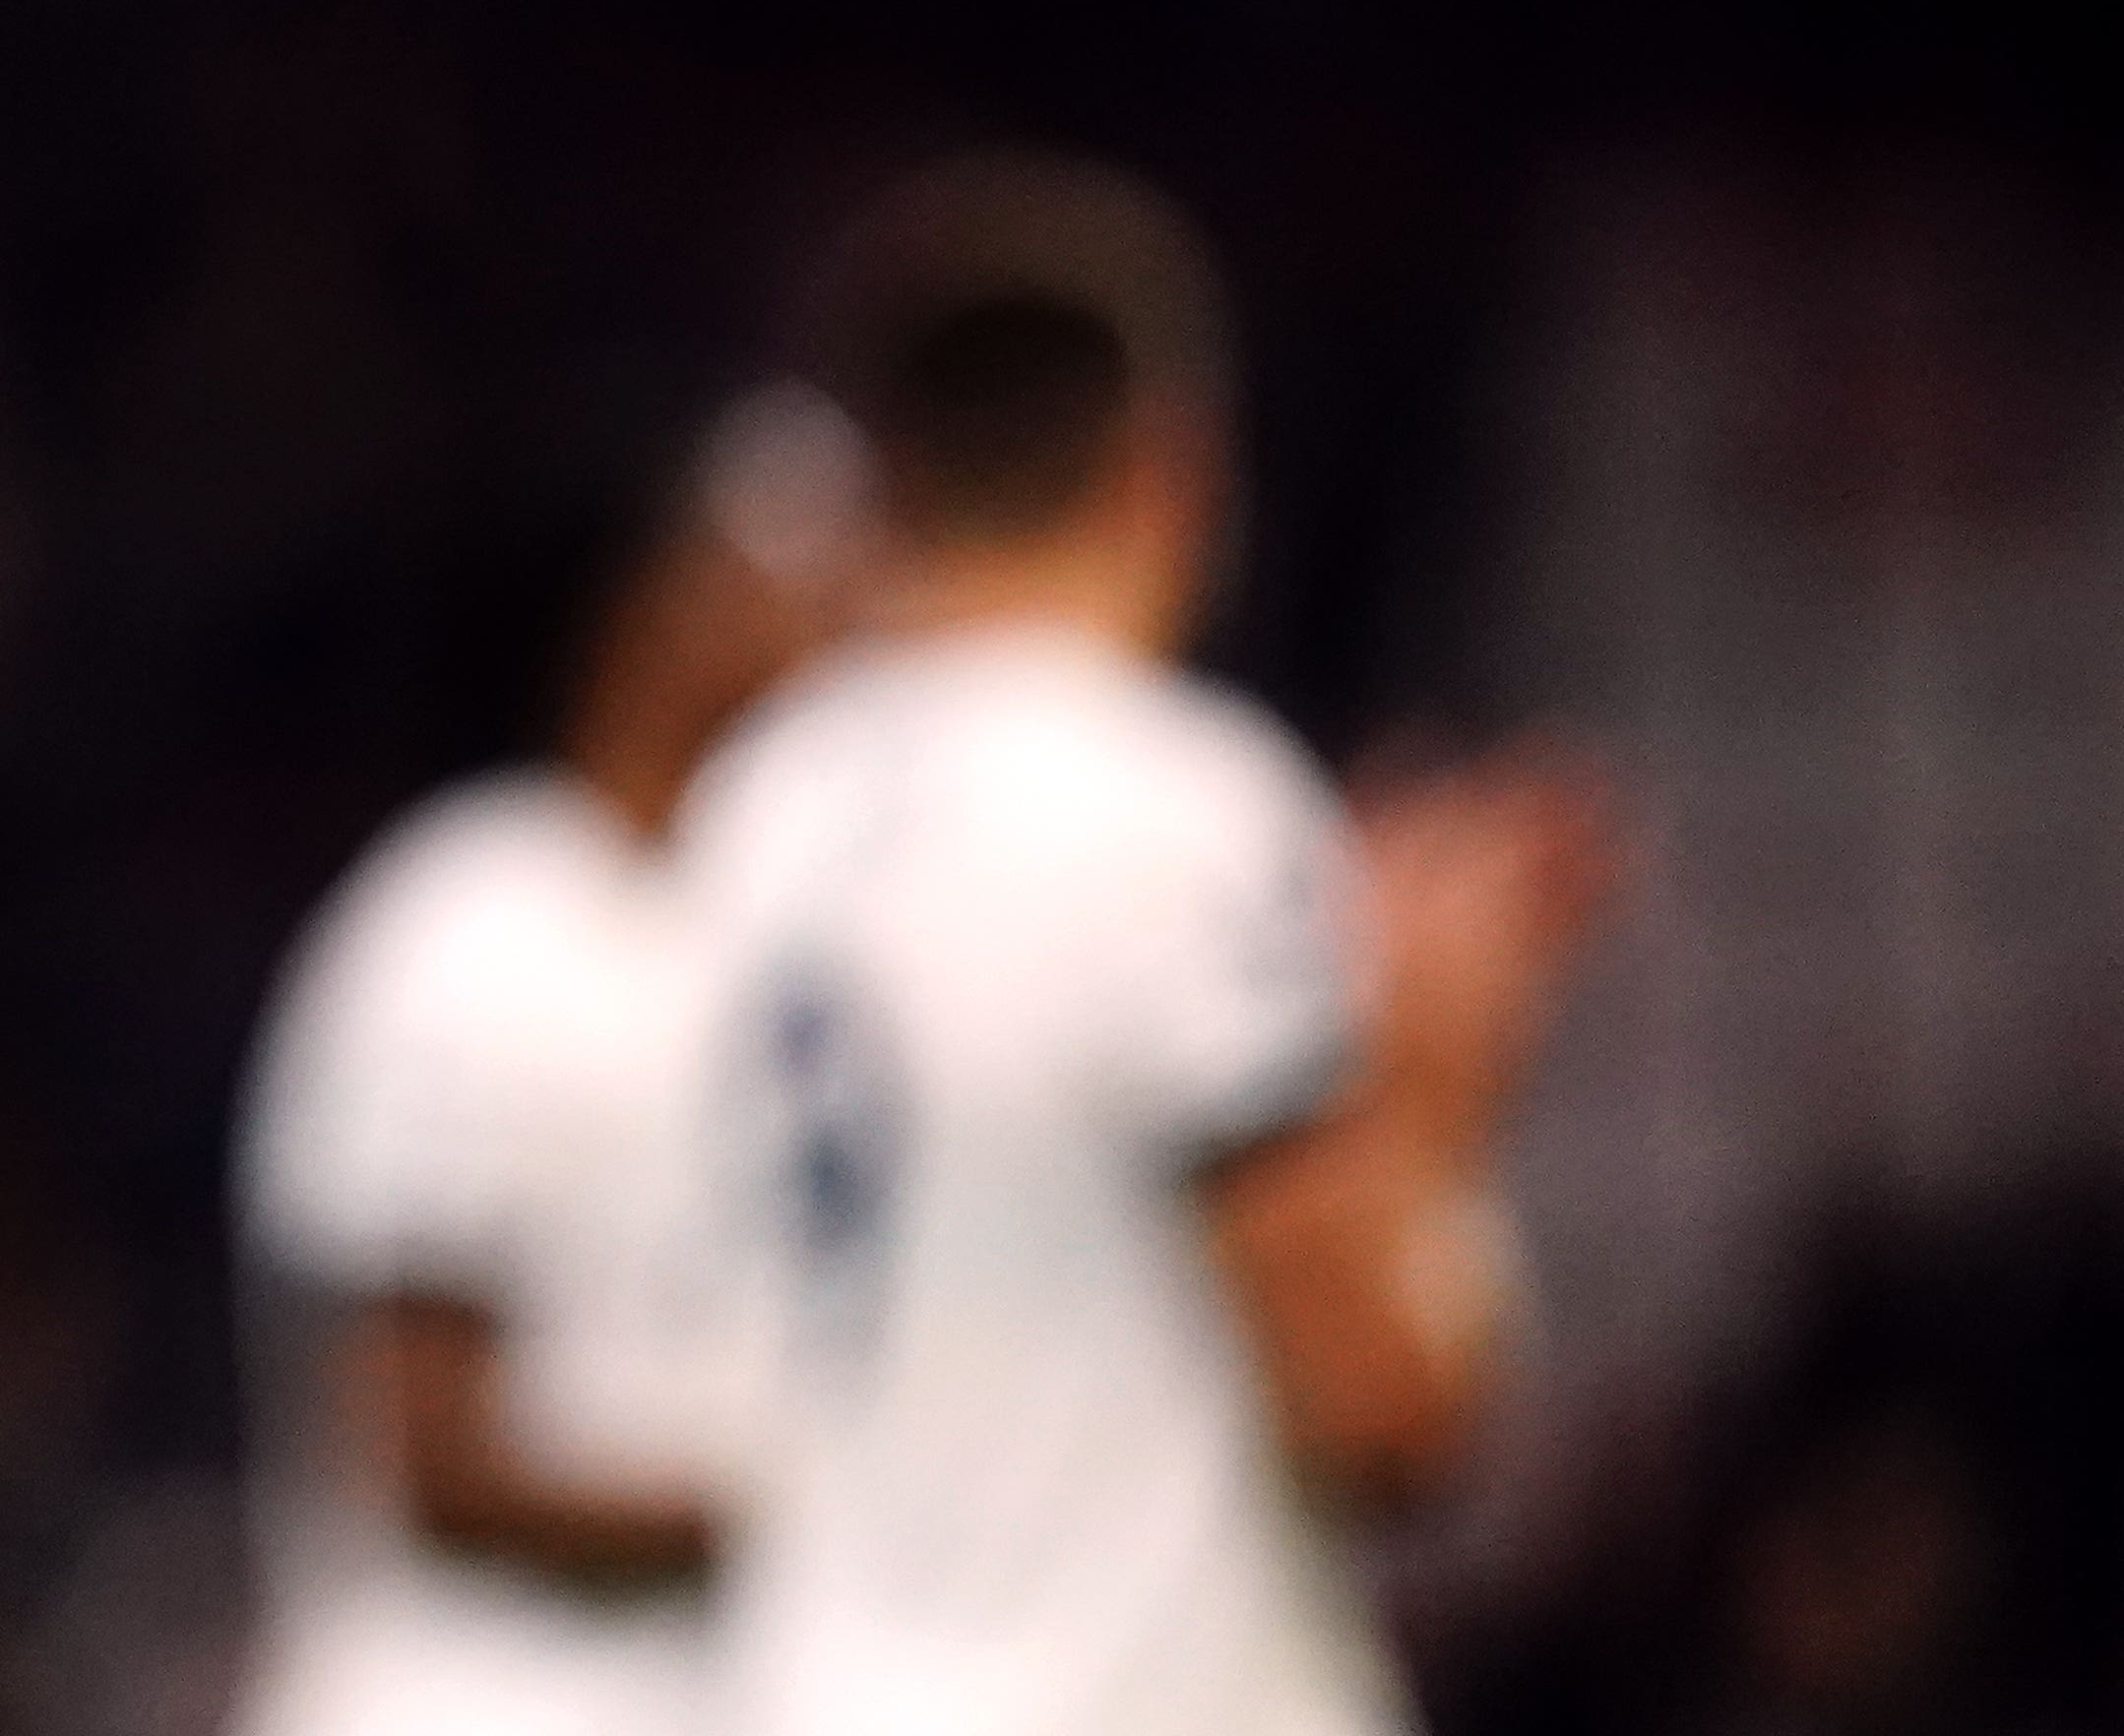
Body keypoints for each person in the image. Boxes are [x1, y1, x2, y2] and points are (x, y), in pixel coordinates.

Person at [676, 157, 1611, 1736]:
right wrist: (1440, 1086)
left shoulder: (751, 814)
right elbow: (1387, 1423)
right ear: (1176, 463)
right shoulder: (1170, 808)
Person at [229, 381, 871, 1736]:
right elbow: (431, 1456)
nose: (848, 596)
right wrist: (842, 1515)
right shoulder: (469, 925)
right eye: (790, 546)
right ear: (656, 596)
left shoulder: (803, 942)